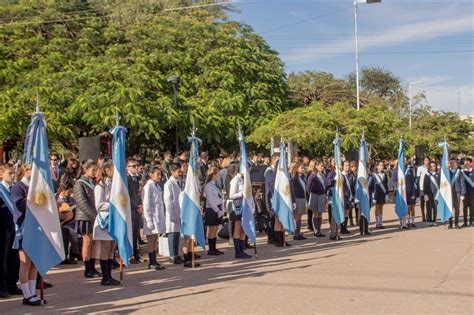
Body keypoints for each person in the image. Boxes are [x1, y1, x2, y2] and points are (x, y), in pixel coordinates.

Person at [11, 164, 41, 306]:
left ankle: (32, 293)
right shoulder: (18, 186)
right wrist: (33, 198)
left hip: (36, 229)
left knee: (34, 264)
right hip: (23, 228)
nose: (33, 172)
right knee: (25, 263)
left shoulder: (36, 186)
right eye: (30, 169)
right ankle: (26, 295)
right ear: (25, 170)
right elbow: (18, 206)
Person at [93, 161, 120, 285]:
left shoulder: (114, 184)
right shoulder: (100, 186)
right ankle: (105, 277)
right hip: (104, 220)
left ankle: (109, 275)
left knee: (111, 248)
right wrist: (113, 205)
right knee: (105, 247)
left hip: (113, 219)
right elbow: (99, 205)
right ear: (107, 170)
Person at [73, 160, 101, 278]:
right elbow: (81, 202)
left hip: (95, 216)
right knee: (87, 242)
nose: (95, 172)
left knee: (94, 242)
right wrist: (95, 215)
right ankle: (87, 268)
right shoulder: (79, 183)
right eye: (92, 170)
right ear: (85, 170)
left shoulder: (94, 183)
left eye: (96, 170)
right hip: (85, 216)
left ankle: (93, 267)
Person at [0, 163, 21, 299]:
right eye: (10, 173)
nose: (13, 175)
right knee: (2, 258)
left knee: (14, 256)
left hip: (14, 226)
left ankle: (12, 284)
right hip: (2, 227)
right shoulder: (1, 190)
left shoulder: (14, 189)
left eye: (14, 173)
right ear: (1, 174)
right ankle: (1, 287)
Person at [142, 165, 166, 270]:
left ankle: (155, 260)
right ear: (151, 174)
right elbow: (146, 204)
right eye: (157, 174)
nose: (159, 176)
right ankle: (151, 261)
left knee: (155, 239)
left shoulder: (157, 186)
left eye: (160, 174)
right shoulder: (148, 187)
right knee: (151, 239)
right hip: (151, 217)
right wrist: (148, 219)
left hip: (157, 216)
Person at [229, 170, 252, 258]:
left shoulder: (246, 179)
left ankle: (242, 250)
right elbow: (231, 195)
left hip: (246, 205)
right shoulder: (235, 179)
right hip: (238, 206)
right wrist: (242, 193)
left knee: (244, 228)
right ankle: (238, 252)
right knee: (238, 228)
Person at [164, 163, 183, 265]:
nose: (180, 173)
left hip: (178, 211)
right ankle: (172, 255)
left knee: (177, 234)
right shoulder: (168, 184)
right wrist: (171, 214)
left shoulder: (178, 182)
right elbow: (168, 200)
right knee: (172, 233)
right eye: (178, 171)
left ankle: (176, 254)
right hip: (172, 212)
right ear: (172, 172)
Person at [203, 167, 225, 255]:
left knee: (215, 228)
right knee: (211, 229)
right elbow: (210, 200)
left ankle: (214, 248)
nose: (219, 176)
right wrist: (217, 210)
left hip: (217, 208)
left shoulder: (214, 185)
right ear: (213, 175)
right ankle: (211, 249)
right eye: (217, 174)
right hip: (212, 209)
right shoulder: (208, 186)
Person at [57, 182, 80, 265]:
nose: (70, 193)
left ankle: (73, 255)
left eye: (71, 191)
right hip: (61, 223)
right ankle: (72, 254)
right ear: (63, 190)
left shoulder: (71, 199)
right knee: (71, 232)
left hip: (70, 222)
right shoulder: (57, 199)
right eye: (68, 191)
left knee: (77, 230)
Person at [126, 158, 143, 264]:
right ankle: (130, 254)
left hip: (137, 208)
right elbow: (127, 195)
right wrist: (136, 205)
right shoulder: (126, 178)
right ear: (127, 167)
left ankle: (136, 254)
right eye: (134, 166)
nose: (137, 168)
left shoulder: (137, 178)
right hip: (130, 208)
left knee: (136, 232)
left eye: (137, 165)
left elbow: (138, 194)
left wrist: (140, 204)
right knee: (130, 232)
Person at [307, 161, 327, 238]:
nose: (322, 168)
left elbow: (327, 183)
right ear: (316, 166)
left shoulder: (322, 175)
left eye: (323, 166)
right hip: (315, 195)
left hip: (321, 195)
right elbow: (308, 187)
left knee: (320, 213)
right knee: (315, 213)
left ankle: (319, 230)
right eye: (321, 166)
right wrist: (311, 194)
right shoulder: (312, 175)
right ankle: (316, 231)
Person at [289, 162, 306, 240]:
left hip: (302, 198)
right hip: (297, 198)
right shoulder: (293, 177)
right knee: (296, 217)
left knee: (300, 217)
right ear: (297, 168)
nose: (303, 169)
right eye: (301, 168)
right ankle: (295, 233)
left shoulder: (301, 177)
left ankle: (298, 232)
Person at [448, 158, 465, 229]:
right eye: (451, 163)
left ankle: (457, 223)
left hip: (457, 192)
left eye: (454, 162)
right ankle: (450, 224)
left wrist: (462, 194)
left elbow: (462, 183)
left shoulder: (459, 172)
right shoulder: (447, 171)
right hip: (449, 192)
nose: (452, 164)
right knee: (450, 208)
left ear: (456, 164)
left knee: (457, 208)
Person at [373, 161, 388, 229]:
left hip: (382, 193)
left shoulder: (385, 174)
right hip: (376, 193)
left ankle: (380, 222)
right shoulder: (374, 175)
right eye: (380, 165)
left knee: (381, 208)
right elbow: (373, 185)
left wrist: (387, 194)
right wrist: (373, 195)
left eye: (383, 165)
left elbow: (386, 184)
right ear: (377, 166)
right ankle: (377, 223)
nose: (382, 167)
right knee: (377, 208)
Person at [423, 161, 439, 227]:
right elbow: (425, 185)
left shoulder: (438, 175)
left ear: (436, 167)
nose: (432, 167)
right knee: (429, 207)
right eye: (431, 166)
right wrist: (425, 194)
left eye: (434, 166)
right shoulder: (427, 175)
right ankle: (429, 221)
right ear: (429, 167)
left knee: (435, 207)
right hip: (429, 194)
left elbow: (440, 185)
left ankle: (434, 220)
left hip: (436, 193)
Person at [416, 157, 430, 222]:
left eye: (427, 160)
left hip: (429, 188)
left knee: (428, 202)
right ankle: (423, 216)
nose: (426, 161)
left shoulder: (430, 168)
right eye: (425, 160)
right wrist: (417, 189)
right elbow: (418, 179)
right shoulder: (420, 168)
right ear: (423, 161)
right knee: (422, 202)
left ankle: (428, 215)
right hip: (421, 188)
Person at [462, 158, 473, 227]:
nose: (466, 163)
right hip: (465, 193)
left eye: (468, 162)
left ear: (471, 163)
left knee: (472, 208)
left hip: (472, 193)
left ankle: (472, 222)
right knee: (465, 208)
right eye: (465, 162)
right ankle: (465, 222)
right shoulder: (461, 172)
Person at [405, 162, 417, 228]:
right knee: (408, 208)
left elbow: (414, 184)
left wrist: (414, 194)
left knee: (412, 207)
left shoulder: (412, 173)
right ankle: (407, 222)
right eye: (410, 167)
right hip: (406, 192)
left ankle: (412, 222)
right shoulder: (405, 173)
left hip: (412, 192)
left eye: (412, 167)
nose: (411, 168)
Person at [348, 161, 358, 226]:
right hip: (351, 193)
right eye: (352, 166)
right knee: (350, 208)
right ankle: (351, 221)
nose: (353, 168)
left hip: (356, 193)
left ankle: (357, 220)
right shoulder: (349, 175)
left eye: (354, 166)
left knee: (357, 208)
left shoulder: (358, 174)